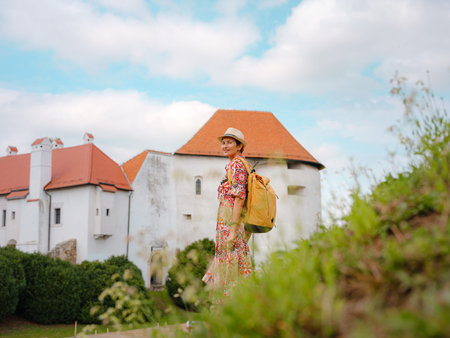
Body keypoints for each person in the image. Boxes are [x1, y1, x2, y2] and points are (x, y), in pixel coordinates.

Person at [202, 127, 252, 296]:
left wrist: (232, 229)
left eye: (229, 142)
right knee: (230, 261)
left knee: (231, 263)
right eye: (223, 143)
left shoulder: (237, 165)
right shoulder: (234, 165)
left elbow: (239, 198)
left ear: (239, 146)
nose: (225, 146)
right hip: (227, 221)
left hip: (230, 222)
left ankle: (227, 303)